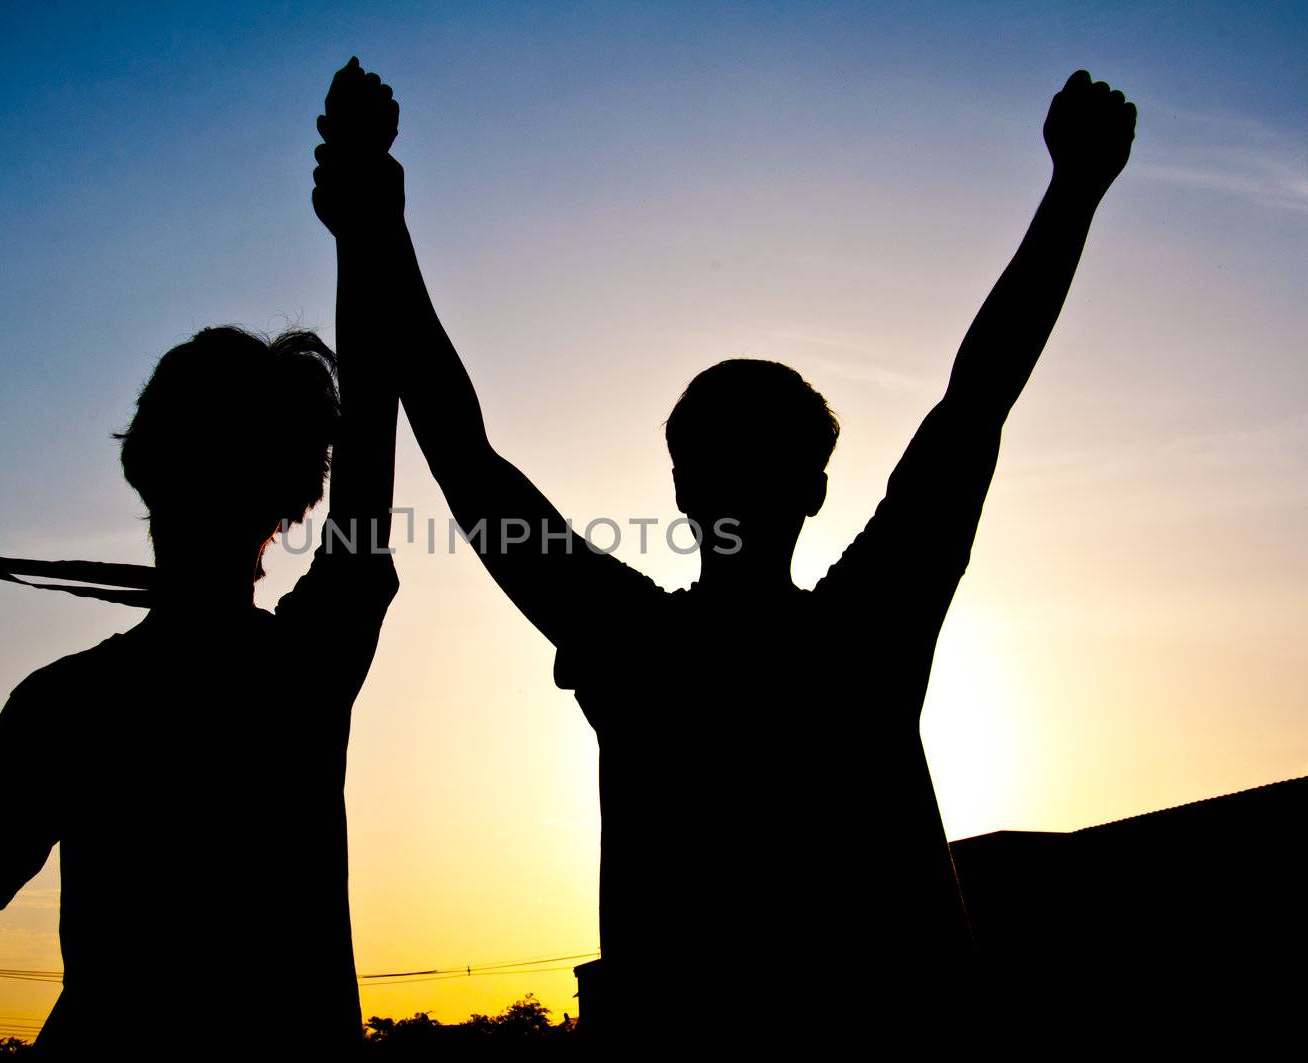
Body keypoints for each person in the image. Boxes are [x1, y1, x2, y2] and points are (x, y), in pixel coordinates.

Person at [314, 64, 1135, 1040]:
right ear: (815, 490)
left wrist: (379, 222)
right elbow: (976, 397)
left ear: (680, 490)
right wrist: (1074, 190)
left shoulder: (632, 642)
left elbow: (463, 455)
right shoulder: (866, 625)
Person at [0, 69, 399, 1054]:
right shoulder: (304, 669)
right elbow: (370, 456)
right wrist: (363, 217)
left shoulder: (68, 702)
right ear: (292, 492)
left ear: (142, 465)